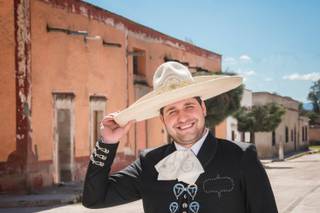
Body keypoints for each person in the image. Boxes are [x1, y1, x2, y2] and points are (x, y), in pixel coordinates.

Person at [82, 62, 278, 213]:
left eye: (189, 106)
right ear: (162, 119)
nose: (182, 117)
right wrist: (107, 143)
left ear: (203, 108)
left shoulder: (241, 156)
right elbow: (94, 199)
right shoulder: (148, 163)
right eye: (172, 111)